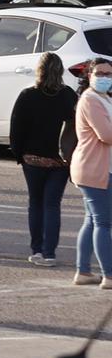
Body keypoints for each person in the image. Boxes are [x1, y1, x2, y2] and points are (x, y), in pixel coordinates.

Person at [12, 51, 79, 268]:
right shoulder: (68, 95)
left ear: (38, 70)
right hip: (60, 161)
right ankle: (50, 253)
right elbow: (77, 128)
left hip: (32, 158)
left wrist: (19, 155)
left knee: (35, 203)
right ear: (60, 71)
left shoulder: (27, 95)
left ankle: (37, 250)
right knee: (52, 205)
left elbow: (17, 129)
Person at [73, 60, 112, 286]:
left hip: (100, 168)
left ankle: (84, 272)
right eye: (100, 73)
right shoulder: (90, 100)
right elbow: (106, 134)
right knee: (103, 223)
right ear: (90, 75)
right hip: (92, 168)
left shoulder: (104, 98)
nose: (105, 77)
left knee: (92, 221)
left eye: (108, 73)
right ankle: (108, 275)